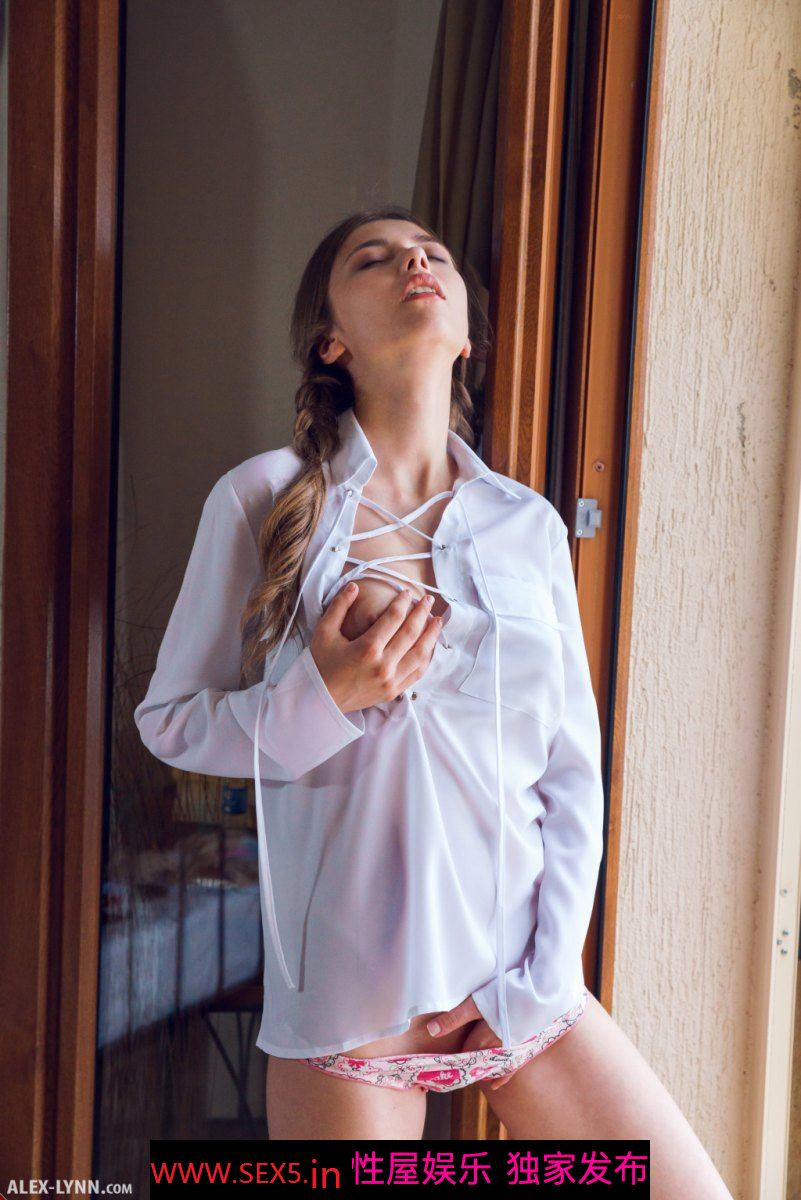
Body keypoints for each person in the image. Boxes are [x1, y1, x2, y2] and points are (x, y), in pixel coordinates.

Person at [134, 207, 733, 1193]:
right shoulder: (262, 497)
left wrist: (545, 978)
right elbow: (171, 722)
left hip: (519, 995)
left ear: (465, 335)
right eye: (372, 258)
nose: (413, 261)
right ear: (332, 341)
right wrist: (325, 697)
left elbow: (571, 775)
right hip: (345, 1020)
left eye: (432, 255)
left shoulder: (527, 526)